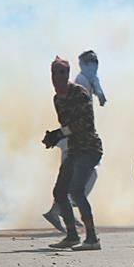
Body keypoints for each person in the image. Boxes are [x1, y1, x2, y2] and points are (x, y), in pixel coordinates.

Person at [41, 57, 103, 251]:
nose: (57, 77)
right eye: (54, 73)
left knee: (76, 191)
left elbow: (84, 123)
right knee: (60, 192)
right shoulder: (58, 99)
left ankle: (92, 239)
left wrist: (60, 134)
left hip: (89, 148)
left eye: (61, 73)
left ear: (68, 74)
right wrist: (55, 137)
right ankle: (72, 235)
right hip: (75, 149)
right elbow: (66, 125)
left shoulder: (79, 93)